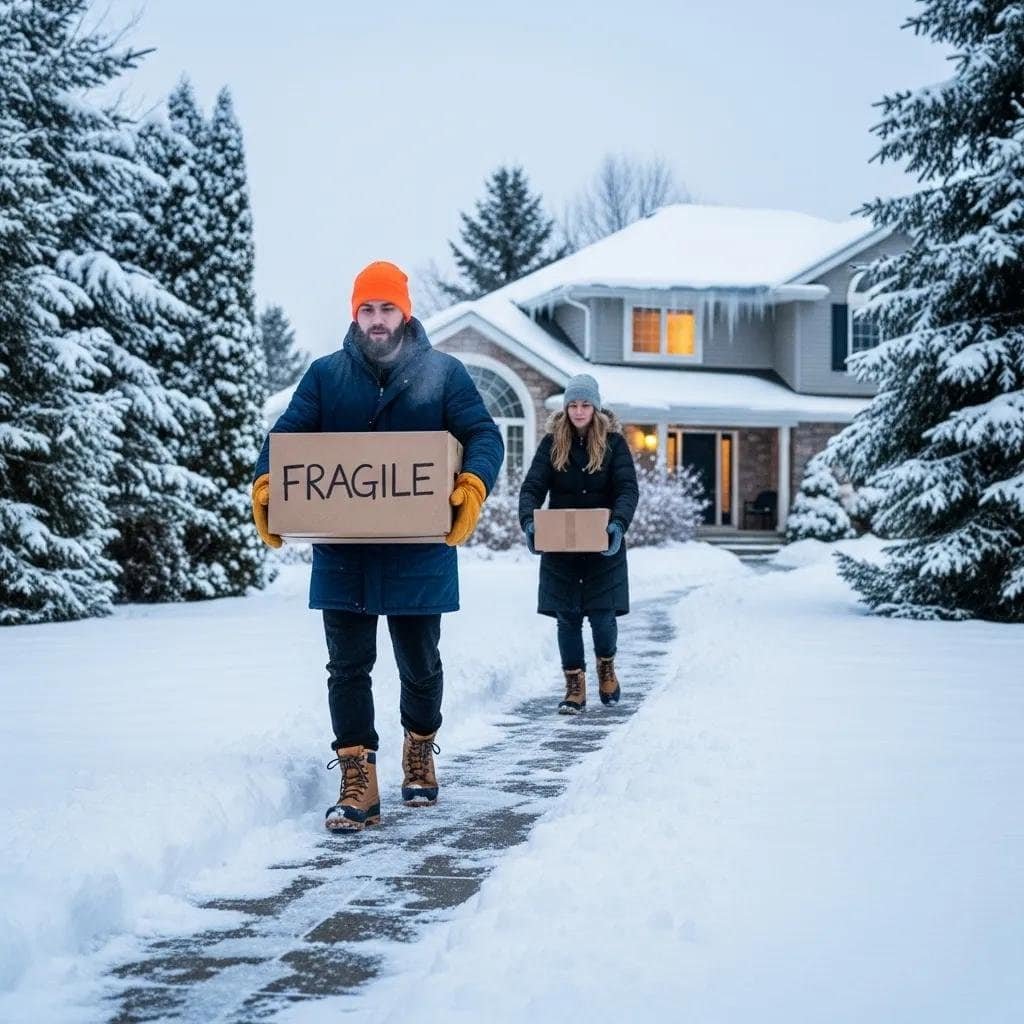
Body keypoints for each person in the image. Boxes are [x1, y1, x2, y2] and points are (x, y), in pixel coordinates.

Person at [250, 261, 503, 833]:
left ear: (405, 311)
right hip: (346, 551)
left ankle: (419, 746)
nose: (377, 319)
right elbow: (286, 435)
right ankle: (357, 776)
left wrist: (474, 482)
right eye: (367, 308)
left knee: (419, 665)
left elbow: (483, 434)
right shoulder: (324, 376)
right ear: (354, 313)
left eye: (387, 307)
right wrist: (268, 481)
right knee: (346, 666)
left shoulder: (444, 373)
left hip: (419, 550)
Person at [518, 374, 639, 713]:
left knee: (603, 617)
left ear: (595, 407)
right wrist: (529, 522)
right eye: (573, 404)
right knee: (567, 617)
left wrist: (618, 525)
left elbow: (627, 489)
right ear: (566, 407)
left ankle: (606, 667)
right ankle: (574, 686)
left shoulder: (614, 444)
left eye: (585, 404)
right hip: (562, 549)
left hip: (604, 547)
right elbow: (532, 488)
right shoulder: (552, 443)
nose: (579, 411)